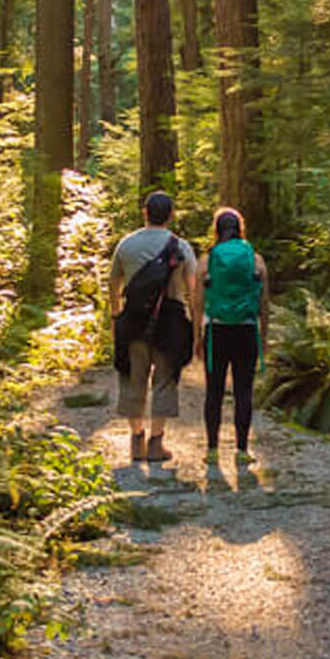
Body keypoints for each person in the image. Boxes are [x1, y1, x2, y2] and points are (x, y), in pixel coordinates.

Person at [108, 191, 197, 462]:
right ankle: (157, 443)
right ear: (171, 215)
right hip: (170, 321)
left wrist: (116, 318)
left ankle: (136, 441)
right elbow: (192, 290)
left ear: (145, 212)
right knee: (165, 380)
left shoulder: (126, 245)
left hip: (133, 320)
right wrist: (194, 325)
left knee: (133, 377)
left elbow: (113, 287)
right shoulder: (181, 247)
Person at [193, 207, 270, 464]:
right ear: (240, 229)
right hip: (247, 330)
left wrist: (197, 337)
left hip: (216, 330)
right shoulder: (255, 259)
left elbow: (198, 302)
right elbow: (264, 304)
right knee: (243, 391)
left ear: (216, 230)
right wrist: (264, 338)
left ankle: (212, 450)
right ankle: (241, 450)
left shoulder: (207, 261)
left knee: (214, 391)